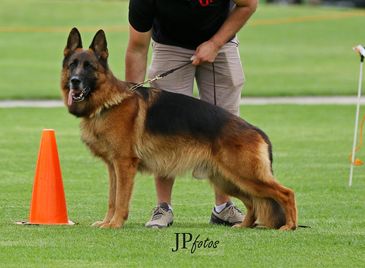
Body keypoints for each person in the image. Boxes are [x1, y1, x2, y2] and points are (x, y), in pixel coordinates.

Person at [125, 0, 257, 228]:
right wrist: (131, 100)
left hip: (221, 40)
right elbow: (137, 48)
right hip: (169, 44)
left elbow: (249, 4)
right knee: (163, 125)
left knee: (225, 128)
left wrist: (215, 43)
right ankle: (163, 207)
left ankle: (223, 207)